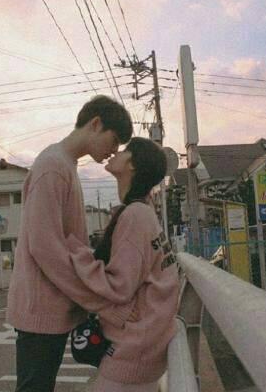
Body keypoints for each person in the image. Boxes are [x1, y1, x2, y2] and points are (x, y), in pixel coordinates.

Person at [7, 95, 134, 392]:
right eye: (114, 140)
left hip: (51, 306)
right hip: (40, 307)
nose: (114, 151)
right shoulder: (52, 166)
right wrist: (93, 298)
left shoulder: (65, 165)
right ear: (96, 124)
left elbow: (67, 243)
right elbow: (44, 247)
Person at [65, 137, 180, 391]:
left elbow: (119, 287)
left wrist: (75, 252)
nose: (116, 152)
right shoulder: (143, 212)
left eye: (125, 150)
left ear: (133, 165)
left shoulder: (135, 216)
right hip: (145, 348)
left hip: (132, 352)